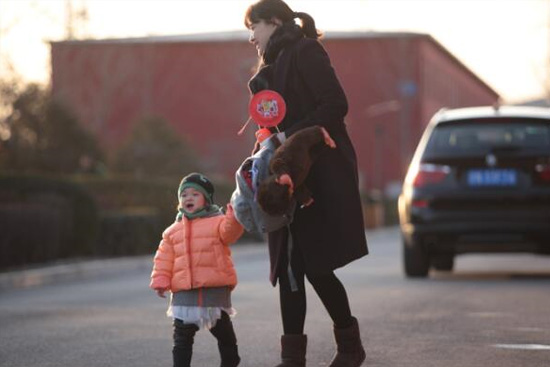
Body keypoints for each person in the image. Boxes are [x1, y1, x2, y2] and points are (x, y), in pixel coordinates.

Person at [244, 1, 369, 366]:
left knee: (315, 264)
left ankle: (350, 347)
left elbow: (335, 104)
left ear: (274, 22)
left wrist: (289, 139)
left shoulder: (305, 51)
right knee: (288, 266)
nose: (250, 37)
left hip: (318, 171)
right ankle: (292, 358)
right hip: (284, 175)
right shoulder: (268, 68)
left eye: (254, 26)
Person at [150, 173, 244, 367]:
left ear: (206, 199)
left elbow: (230, 234)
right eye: (184, 195)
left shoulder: (218, 222)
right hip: (184, 294)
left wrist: (233, 217)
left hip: (213, 292)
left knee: (224, 334)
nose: (188, 198)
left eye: (195, 194)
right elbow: (163, 259)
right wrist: (160, 280)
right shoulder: (172, 231)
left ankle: (231, 361)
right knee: (182, 338)